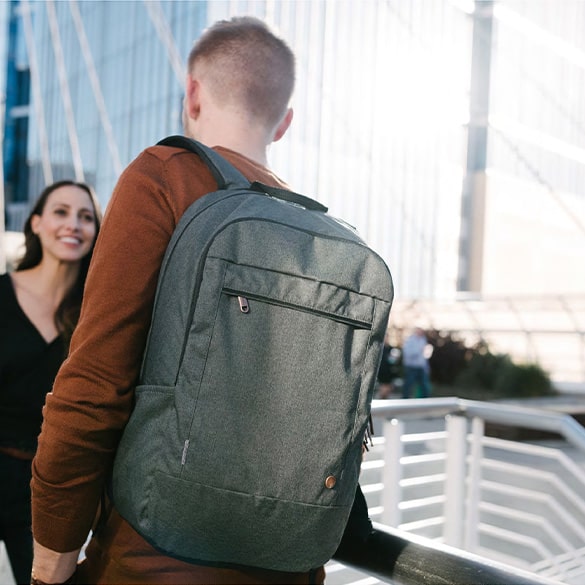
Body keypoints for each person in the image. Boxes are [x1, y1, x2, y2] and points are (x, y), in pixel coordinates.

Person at [30, 17, 375, 585]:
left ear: (191, 93)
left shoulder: (164, 176)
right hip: (291, 565)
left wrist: (53, 547)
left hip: (152, 559)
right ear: (284, 122)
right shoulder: (324, 234)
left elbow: (95, 381)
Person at [0, 180, 101, 585]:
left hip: (49, 489)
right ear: (37, 223)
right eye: (61, 212)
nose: (73, 224)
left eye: (86, 216)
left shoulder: (95, 314)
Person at [401, 326, 432, 399]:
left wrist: (427, 367)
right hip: (411, 367)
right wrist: (419, 350)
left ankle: (425, 402)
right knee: (408, 385)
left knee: (425, 386)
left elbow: (424, 356)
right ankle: (404, 401)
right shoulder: (410, 340)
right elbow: (407, 354)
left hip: (421, 367)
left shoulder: (423, 340)